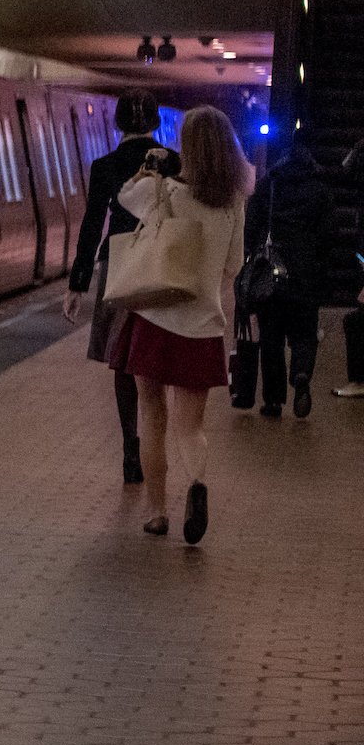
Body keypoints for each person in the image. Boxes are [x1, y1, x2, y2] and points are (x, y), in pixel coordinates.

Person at [108, 105, 252, 544]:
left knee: (152, 416)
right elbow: (234, 264)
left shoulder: (163, 192)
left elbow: (122, 197)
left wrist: (149, 167)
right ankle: (198, 486)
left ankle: (155, 512)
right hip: (203, 326)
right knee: (191, 428)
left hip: (154, 322)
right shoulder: (233, 202)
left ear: (186, 147)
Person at [64, 89, 179, 483]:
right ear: (156, 123)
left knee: (122, 358)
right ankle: (153, 446)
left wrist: (78, 283)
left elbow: (92, 225)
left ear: (117, 124)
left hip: (118, 264)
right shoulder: (173, 163)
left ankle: (131, 447)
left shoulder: (104, 166)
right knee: (155, 359)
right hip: (161, 264)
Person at [241, 140, 334, 417]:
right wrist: (318, 264)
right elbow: (329, 235)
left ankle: (273, 401)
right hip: (306, 273)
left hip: (271, 273)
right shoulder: (320, 190)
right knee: (305, 333)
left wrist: (251, 259)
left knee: (271, 337)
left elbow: (252, 227)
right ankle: (302, 373)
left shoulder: (269, 188)